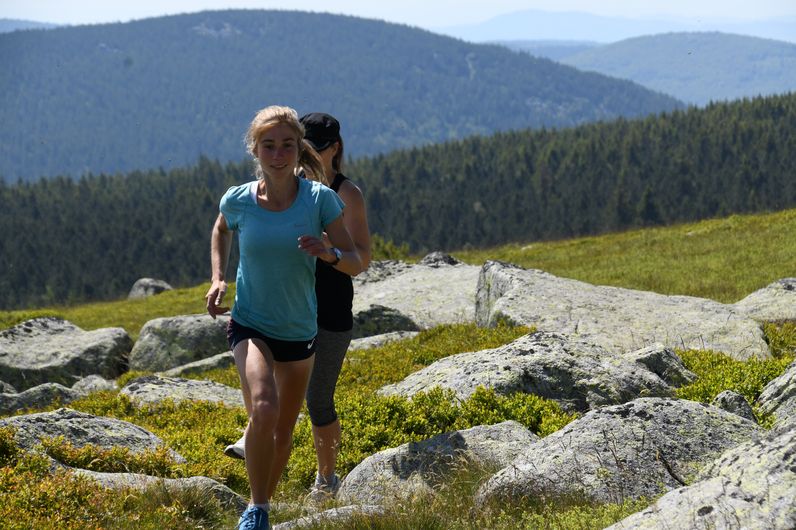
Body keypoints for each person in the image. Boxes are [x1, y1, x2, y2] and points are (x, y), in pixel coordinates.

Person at [206, 105, 362, 530]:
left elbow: (354, 261)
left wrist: (328, 253)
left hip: (299, 329)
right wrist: (218, 278)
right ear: (255, 150)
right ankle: (256, 508)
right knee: (264, 407)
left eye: (287, 145)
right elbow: (221, 229)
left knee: (283, 432)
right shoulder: (238, 199)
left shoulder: (320, 200)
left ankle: (261, 509)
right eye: (268, 146)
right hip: (250, 323)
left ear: (298, 150)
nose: (278, 154)